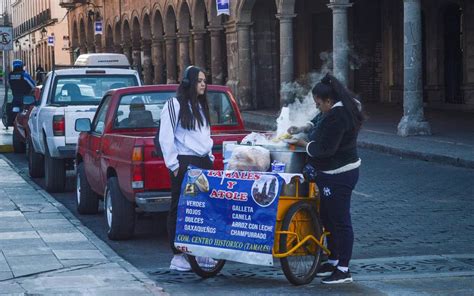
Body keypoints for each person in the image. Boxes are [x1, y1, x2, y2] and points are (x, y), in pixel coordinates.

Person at [288, 73, 364, 284]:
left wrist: (305, 145)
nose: (317, 107)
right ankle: (333, 259)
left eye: (319, 103)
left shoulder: (339, 116)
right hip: (329, 174)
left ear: (329, 101)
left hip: (340, 174)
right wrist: (304, 128)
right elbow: (319, 120)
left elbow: (325, 150)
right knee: (328, 216)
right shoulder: (334, 110)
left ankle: (344, 269)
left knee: (340, 220)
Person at [156, 65, 214, 272]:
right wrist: (173, 165)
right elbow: (166, 136)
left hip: (203, 161)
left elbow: (205, 134)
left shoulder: (201, 106)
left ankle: (199, 252)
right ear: (189, 83)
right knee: (180, 208)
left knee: (202, 209)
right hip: (185, 163)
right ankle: (178, 255)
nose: (203, 84)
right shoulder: (175, 104)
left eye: (205, 81)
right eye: (199, 81)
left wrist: (210, 155)